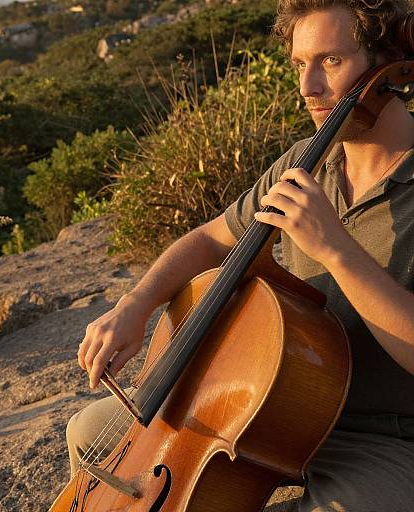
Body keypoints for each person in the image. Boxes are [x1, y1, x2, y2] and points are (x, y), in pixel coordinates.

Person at [66, 1, 414, 510]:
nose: (307, 88)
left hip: (382, 435)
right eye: (300, 64)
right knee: (91, 430)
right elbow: (211, 239)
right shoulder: (304, 161)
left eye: (331, 61)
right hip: (263, 406)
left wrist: (337, 250)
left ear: (388, 65)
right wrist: (135, 305)